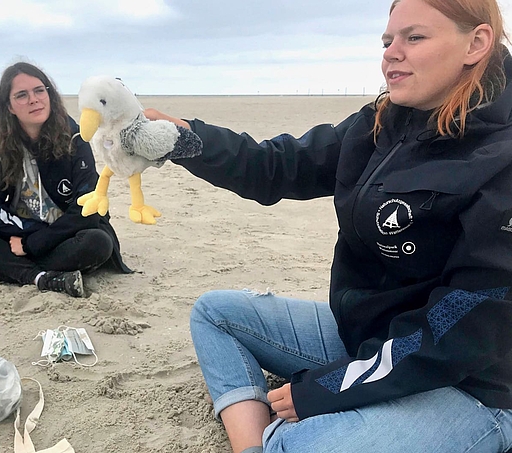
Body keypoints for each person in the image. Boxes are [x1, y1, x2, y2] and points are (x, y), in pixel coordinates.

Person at [145, 0, 512, 451]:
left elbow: (466, 329)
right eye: (387, 40)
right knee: (216, 313)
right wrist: (185, 140)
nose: (391, 53)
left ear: (476, 42)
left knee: (302, 444)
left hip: (472, 386)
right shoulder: (382, 124)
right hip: (370, 339)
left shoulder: (501, 156)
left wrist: (328, 388)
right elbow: (277, 165)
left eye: (414, 38)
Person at [0, 62, 131, 298]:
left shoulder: (75, 139)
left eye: (39, 90)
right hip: (20, 232)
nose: (34, 99)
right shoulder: (1, 149)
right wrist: (26, 234)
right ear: (9, 107)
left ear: (49, 94)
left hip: (65, 235)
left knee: (97, 242)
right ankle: (40, 277)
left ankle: (2, 269)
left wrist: (33, 244)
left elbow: (88, 211)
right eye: (21, 95)